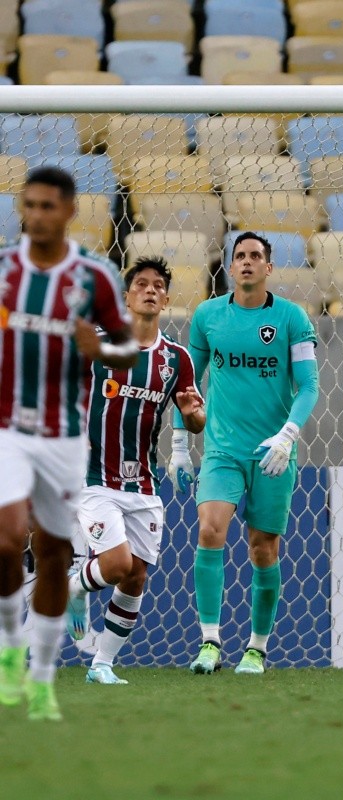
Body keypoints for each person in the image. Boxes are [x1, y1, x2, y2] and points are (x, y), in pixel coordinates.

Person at [0, 167, 138, 720]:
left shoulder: (95, 278)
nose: (37, 216)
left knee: (55, 553)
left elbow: (129, 350)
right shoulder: (5, 270)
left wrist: (101, 350)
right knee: (10, 541)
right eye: (28, 206)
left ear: (70, 211)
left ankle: (40, 675)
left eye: (47, 207)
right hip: (10, 427)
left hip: (62, 433)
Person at [179, 232, 319, 676]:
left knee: (263, 549)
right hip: (222, 449)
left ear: (269, 267)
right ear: (229, 266)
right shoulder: (207, 316)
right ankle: (209, 643)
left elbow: (309, 386)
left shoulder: (291, 318)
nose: (246, 262)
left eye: (255, 256)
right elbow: (189, 385)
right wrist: (181, 443)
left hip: (274, 453)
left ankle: (256, 648)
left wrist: (287, 436)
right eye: (239, 256)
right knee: (209, 531)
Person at [64, 256, 205, 684]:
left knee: (137, 576)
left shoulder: (176, 359)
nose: (150, 290)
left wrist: (195, 414)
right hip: (92, 478)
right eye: (141, 283)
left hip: (143, 481)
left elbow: (195, 416)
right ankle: (71, 587)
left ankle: (102, 664)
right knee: (118, 563)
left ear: (166, 298)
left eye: (158, 285)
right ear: (126, 296)